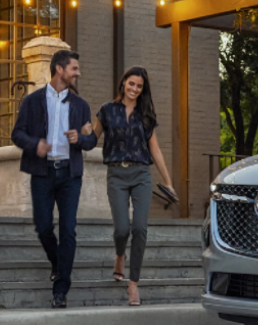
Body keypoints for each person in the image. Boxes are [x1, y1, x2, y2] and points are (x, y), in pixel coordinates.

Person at [10, 50, 97, 309]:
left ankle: (60, 289)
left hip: (70, 175)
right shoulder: (33, 101)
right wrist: (34, 144)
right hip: (43, 172)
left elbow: (91, 140)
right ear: (60, 69)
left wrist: (79, 139)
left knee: (68, 230)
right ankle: (58, 263)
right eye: (74, 68)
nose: (77, 73)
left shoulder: (80, 105)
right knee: (44, 227)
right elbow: (17, 134)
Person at [92, 66, 177, 306]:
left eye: (139, 86)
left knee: (139, 228)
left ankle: (133, 284)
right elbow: (92, 139)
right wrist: (80, 135)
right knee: (121, 229)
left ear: (143, 89)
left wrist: (168, 182)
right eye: (131, 84)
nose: (134, 89)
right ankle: (120, 255)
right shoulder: (107, 111)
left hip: (141, 174)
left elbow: (156, 151)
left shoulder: (145, 116)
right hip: (116, 175)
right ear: (123, 83)